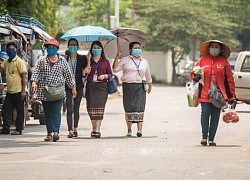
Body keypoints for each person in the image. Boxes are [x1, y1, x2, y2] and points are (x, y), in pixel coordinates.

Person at [190, 40, 236, 146]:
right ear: (208, 48)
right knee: (205, 113)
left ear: (220, 50)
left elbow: (230, 80)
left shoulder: (224, 62)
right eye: (212, 46)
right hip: (205, 93)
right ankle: (204, 136)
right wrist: (195, 76)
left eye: (216, 47)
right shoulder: (202, 60)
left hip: (219, 95)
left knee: (215, 116)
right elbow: (193, 74)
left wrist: (232, 96)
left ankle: (211, 139)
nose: (214, 48)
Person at [31, 38, 77, 142]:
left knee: (56, 111)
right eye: (49, 47)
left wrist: (73, 87)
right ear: (46, 48)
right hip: (45, 91)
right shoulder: (41, 60)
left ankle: (56, 132)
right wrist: (34, 82)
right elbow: (36, 73)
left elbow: (68, 75)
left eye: (53, 47)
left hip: (58, 91)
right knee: (47, 112)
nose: (51, 49)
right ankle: (49, 133)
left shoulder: (63, 61)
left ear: (57, 48)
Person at [113, 41, 152, 137]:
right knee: (129, 108)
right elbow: (115, 69)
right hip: (128, 87)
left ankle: (139, 130)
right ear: (130, 50)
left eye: (139, 48)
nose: (138, 49)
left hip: (140, 87)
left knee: (140, 107)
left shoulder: (144, 62)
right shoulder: (125, 59)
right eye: (135, 48)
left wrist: (150, 85)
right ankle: (129, 130)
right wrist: (117, 57)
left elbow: (148, 75)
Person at [85, 41, 112, 138]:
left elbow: (110, 74)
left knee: (100, 108)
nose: (96, 49)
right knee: (91, 108)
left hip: (102, 87)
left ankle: (97, 130)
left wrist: (105, 76)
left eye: (98, 47)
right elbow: (83, 74)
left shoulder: (106, 61)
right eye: (94, 48)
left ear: (101, 49)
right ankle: (93, 128)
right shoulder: (88, 60)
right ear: (91, 49)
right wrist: (86, 68)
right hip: (90, 86)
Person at [0, 42, 27, 135]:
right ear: (6, 51)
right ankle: (6, 128)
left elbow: (24, 77)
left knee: (19, 111)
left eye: (13, 49)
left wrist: (23, 91)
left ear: (16, 50)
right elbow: (1, 69)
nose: (11, 51)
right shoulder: (6, 61)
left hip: (19, 91)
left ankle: (18, 129)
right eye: (9, 49)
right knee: (5, 110)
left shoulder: (19, 62)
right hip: (10, 91)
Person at [65, 38, 88, 138]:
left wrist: (86, 68)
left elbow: (84, 73)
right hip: (67, 86)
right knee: (69, 108)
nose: (72, 47)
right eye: (71, 45)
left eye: (74, 45)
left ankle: (75, 128)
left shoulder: (82, 58)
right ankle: (69, 130)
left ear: (77, 47)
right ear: (68, 47)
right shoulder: (65, 59)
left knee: (76, 108)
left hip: (78, 86)